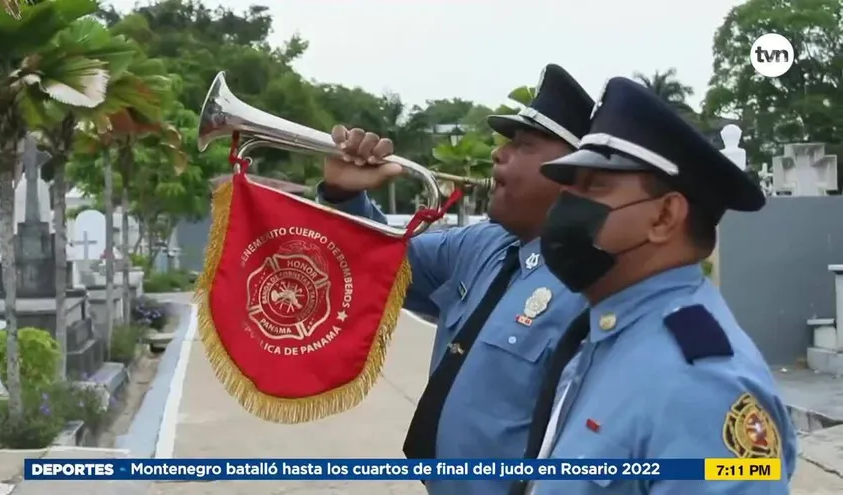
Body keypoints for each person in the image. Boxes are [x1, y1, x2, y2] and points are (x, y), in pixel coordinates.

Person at [317, 64, 594, 495]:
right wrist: (345, 196)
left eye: (523, 146)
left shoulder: (590, 286)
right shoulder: (482, 244)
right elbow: (379, 263)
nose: (498, 155)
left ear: (574, 175)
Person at [520, 76, 797, 495]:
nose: (566, 203)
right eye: (570, 184)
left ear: (665, 217)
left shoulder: (702, 381)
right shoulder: (616, 332)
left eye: (594, 186)